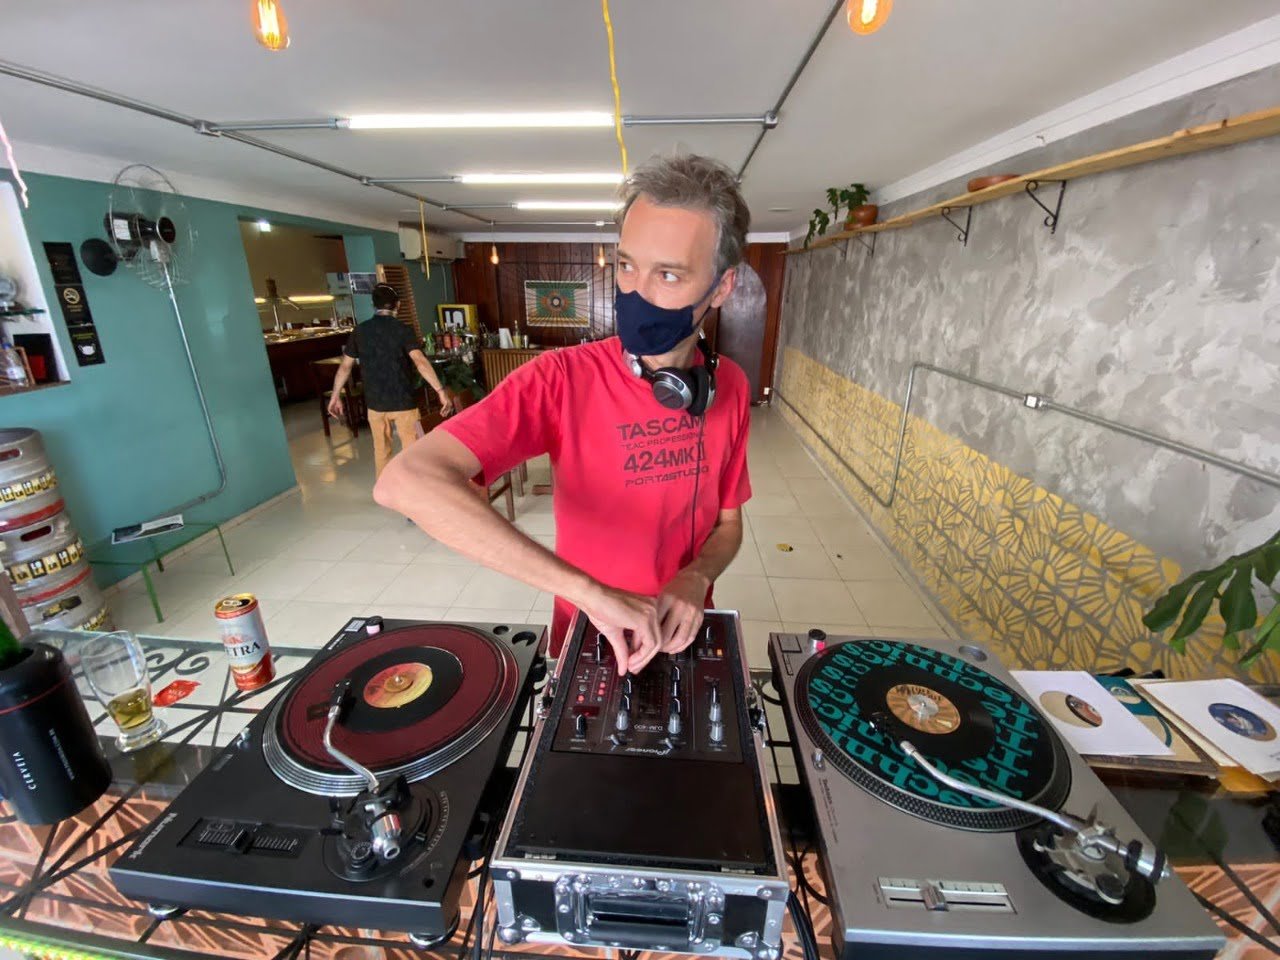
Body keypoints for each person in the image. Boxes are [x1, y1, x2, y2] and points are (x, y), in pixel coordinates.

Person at [374, 154, 752, 675]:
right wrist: (589, 593)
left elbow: (728, 524)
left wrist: (696, 578)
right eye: (626, 265)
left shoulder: (727, 386)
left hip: (683, 630)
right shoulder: (559, 379)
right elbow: (403, 482)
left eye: (668, 274)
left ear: (723, 286)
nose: (636, 292)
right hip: (590, 635)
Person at [329, 283, 455, 476]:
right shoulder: (403, 330)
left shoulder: (360, 331)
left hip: (375, 403)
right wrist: (440, 391)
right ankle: (413, 490)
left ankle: (386, 490)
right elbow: (420, 361)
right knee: (413, 450)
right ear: (398, 305)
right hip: (403, 400)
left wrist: (335, 395)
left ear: (374, 305)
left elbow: (345, 366)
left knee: (381, 449)